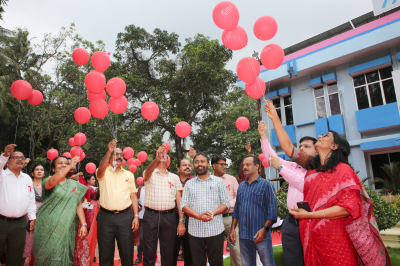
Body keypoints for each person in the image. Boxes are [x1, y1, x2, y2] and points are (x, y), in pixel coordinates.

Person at [265, 104, 391, 266]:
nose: (320, 136)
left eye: (326, 135)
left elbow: (347, 209)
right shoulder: (313, 166)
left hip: (336, 237)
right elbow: (289, 147)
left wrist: (309, 215)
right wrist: (275, 117)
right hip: (312, 235)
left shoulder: (343, 171)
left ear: (335, 145)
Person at [258, 115, 317, 266]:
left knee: (312, 258)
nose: (301, 149)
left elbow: (303, 184)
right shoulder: (294, 166)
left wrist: (281, 167)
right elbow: (270, 158)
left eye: (306, 146)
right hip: (291, 219)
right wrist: (263, 136)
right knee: (292, 260)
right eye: (300, 146)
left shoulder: (319, 170)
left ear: (317, 152)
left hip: (312, 219)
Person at [32, 155, 88, 265]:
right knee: (48, 256)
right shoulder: (47, 181)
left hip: (67, 226)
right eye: (60, 163)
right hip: (48, 226)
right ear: (53, 168)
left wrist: (83, 224)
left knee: (64, 254)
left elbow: (78, 204)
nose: (63, 165)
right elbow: (52, 183)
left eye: (66, 163)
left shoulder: (73, 184)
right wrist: (70, 165)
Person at [181, 152, 230, 266]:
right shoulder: (189, 184)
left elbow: (225, 203)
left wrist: (213, 213)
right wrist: (198, 216)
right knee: (197, 263)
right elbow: (184, 205)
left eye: (202, 161)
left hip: (215, 230)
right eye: (196, 162)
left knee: (217, 262)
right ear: (194, 165)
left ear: (208, 164)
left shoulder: (218, 181)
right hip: (195, 232)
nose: (199, 164)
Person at [95, 139, 139, 266]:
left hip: (125, 217)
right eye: (116, 154)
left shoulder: (129, 175)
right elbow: (100, 171)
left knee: (127, 252)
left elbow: (133, 196)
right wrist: (109, 151)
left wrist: (135, 216)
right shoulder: (102, 171)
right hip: (105, 217)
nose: (119, 156)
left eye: (121, 155)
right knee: (105, 254)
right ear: (109, 157)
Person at [230, 154, 278, 266]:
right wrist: (233, 229)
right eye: (243, 165)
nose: (244, 167)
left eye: (248, 164)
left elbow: (273, 211)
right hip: (244, 235)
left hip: (261, 234)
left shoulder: (267, 185)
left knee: (268, 264)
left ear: (257, 166)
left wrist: (264, 229)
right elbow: (237, 209)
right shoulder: (241, 186)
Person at [142, 144, 183, 266]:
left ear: (168, 161)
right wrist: (157, 158)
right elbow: (147, 173)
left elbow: (179, 200)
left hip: (169, 216)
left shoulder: (174, 177)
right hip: (151, 215)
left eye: (165, 156)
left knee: (168, 250)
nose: (163, 157)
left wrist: (181, 221)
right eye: (161, 155)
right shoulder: (149, 173)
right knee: (149, 250)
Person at [0, 144, 36, 266]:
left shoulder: (26, 178)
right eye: (15, 157)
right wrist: (5, 155)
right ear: (7, 161)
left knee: (15, 256)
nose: (20, 159)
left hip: (20, 223)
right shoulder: (2, 175)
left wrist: (32, 217)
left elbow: (31, 199)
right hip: (1, 221)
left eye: (22, 157)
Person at [211, 154, 242, 266]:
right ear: (214, 166)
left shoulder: (231, 179)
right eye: (222, 164)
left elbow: (239, 197)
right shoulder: (208, 180)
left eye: (225, 164)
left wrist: (226, 205)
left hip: (231, 218)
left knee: (236, 248)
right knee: (216, 250)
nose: (224, 166)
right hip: (214, 219)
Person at [172, 149, 196, 266]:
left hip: (192, 219)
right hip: (174, 218)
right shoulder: (172, 181)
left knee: (190, 250)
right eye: (184, 165)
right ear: (178, 169)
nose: (187, 167)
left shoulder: (195, 181)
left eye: (189, 165)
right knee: (173, 250)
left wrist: (194, 156)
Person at [22, 163, 45, 266]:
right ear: (32, 173)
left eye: (41, 169)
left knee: (41, 244)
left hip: (43, 217)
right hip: (28, 217)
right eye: (37, 169)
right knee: (26, 244)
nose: (39, 171)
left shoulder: (48, 185)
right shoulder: (27, 184)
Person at [134, 180, 145, 265]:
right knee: (140, 238)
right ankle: (139, 257)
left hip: (152, 217)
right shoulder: (140, 189)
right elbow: (136, 200)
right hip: (141, 217)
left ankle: (150, 257)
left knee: (151, 238)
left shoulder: (154, 189)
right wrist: (139, 189)